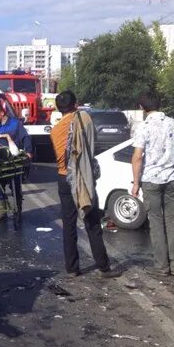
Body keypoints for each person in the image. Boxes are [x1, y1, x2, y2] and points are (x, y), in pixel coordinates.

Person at [50, 91, 121, 278]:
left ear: (58, 108)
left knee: (69, 224)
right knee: (92, 222)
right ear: (75, 105)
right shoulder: (84, 119)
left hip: (63, 178)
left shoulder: (55, 130)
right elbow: (90, 144)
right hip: (82, 178)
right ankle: (103, 267)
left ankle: (72, 268)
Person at [131, 92, 174, 277]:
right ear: (160, 104)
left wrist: (135, 183)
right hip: (172, 178)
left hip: (151, 180)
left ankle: (162, 267)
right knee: (172, 222)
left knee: (155, 223)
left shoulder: (144, 127)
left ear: (142, 108)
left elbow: (137, 157)